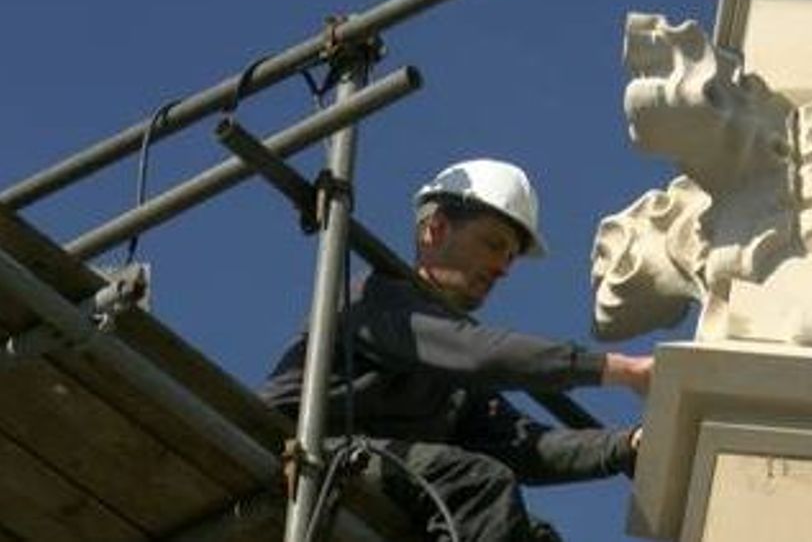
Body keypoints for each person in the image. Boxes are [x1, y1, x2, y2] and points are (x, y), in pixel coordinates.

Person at [261, 158, 653, 542]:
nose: (503, 268)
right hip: (294, 449)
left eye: (511, 257)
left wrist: (626, 445)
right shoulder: (378, 298)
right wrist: (622, 369)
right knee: (478, 485)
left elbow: (523, 444)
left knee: (534, 534)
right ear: (436, 229)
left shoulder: (456, 378)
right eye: (494, 244)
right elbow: (480, 354)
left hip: (376, 467)